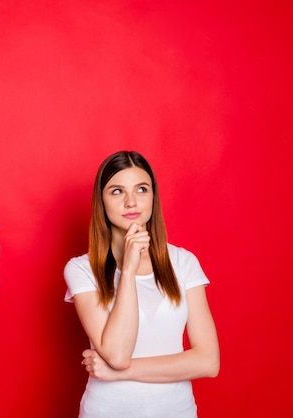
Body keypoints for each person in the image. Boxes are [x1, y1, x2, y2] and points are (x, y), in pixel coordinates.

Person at [64, 150, 219, 418]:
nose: (131, 201)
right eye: (117, 191)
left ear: (153, 197)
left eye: (141, 189)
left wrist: (120, 372)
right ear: (101, 201)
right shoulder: (81, 269)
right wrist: (129, 269)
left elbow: (208, 361)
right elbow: (117, 354)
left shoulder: (183, 262)